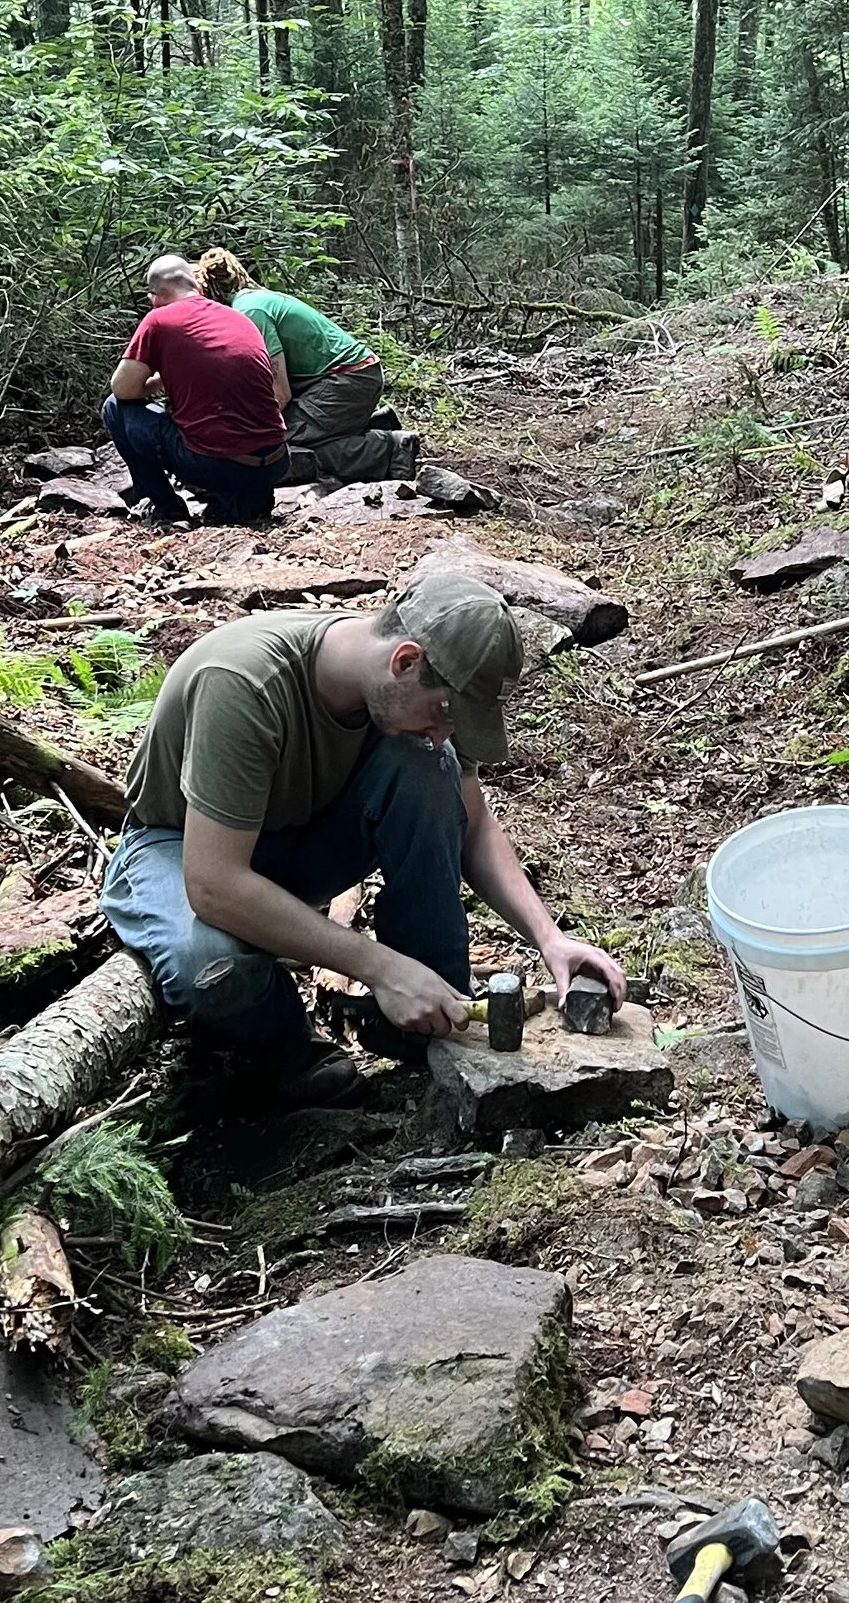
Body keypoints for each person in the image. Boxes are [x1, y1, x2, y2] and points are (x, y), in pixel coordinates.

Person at [100, 569, 626, 1106]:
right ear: (405, 661)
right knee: (211, 965)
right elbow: (213, 884)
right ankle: (286, 1051)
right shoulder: (243, 682)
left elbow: (475, 824)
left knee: (429, 767)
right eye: (444, 711)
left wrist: (549, 937)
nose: (444, 731)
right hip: (178, 847)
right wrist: (381, 969)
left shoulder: (399, 701)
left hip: (299, 842)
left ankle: (432, 1017)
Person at [101, 253, 290, 526]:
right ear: (199, 289)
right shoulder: (238, 318)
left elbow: (122, 390)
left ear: (154, 297)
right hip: (275, 462)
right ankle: (247, 503)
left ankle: (168, 509)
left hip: (216, 466)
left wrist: (156, 381)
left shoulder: (158, 320)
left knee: (114, 409)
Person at [193, 247, 405, 486]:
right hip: (344, 378)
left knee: (275, 445)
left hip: (348, 379)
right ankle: (368, 426)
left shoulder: (250, 311)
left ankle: (388, 449)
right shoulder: (252, 300)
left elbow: (279, 392)